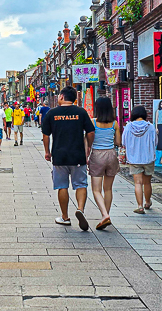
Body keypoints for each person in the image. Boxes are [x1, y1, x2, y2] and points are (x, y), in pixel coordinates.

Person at [42, 86, 95, 230]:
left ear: (61, 97)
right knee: (81, 184)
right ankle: (80, 209)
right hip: (78, 155)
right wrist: (89, 147)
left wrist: (47, 152)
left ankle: (65, 217)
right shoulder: (81, 112)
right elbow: (90, 132)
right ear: (75, 99)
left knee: (62, 186)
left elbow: (46, 135)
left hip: (59, 156)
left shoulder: (52, 113)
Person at [87, 96, 121, 230]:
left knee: (96, 189)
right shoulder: (115, 124)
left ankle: (104, 215)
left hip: (97, 155)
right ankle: (106, 216)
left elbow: (89, 141)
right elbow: (118, 142)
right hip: (111, 155)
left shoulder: (93, 122)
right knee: (108, 189)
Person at [122, 105, 156, 214]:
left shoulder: (128, 127)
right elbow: (155, 142)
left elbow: (123, 142)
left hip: (134, 158)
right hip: (148, 158)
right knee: (147, 182)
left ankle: (140, 206)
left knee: (138, 183)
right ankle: (147, 202)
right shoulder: (150, 126)